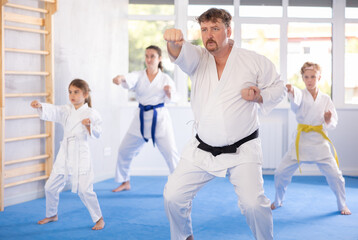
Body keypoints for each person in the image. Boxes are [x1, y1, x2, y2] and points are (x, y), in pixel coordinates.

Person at [163, 8, 285, 240]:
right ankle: (184, 236)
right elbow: (179, 52)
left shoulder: (253, 60)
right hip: (202, 148)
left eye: (215, 29)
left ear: (229, 30)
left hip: (242, 148)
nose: (209, 34)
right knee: (173, 196)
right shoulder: (198, 57)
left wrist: (259, 96)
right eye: (204, 29)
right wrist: (174, 42)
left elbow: (278, 88)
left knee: (253, 205)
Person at [271, 62, 351, 215]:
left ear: (319, 77)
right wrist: (291, 90)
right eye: (306, 77)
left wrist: (327, 119)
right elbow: (296, 102)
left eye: (313, 76)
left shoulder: (326, 98)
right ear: (302, 78)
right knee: (280, 173)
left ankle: (342, 205)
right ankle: (278, 200)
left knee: (336, 176)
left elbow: (333, 122)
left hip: (319, 143)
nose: (309, 80)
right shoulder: (300, 94)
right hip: (301, 143)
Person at [31, 79, 105, 230]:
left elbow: (98, 133)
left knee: (85, 190)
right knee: (50, 187)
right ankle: (52, 214)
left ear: (85, 94)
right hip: (65, 153)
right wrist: (40, 106)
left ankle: (99, 219)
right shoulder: (67, 109)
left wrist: (89, 125)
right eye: (70, 92)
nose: (72, 95)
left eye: (76, 92)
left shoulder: (91, 113)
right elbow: (54, 110)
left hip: (81, 153)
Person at [112, 45, 180, 192]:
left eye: (152, 56)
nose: (149, 59)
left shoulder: (165, 78)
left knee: (171, 153)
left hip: (159, 119)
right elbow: (129, 78)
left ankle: (179, 185)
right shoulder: (139, 75)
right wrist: (121, 78)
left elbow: (175, 97)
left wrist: (169, 93)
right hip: (141, 119)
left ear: (159, 59)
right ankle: (125, 181)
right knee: (124, 150)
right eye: (147, 56)